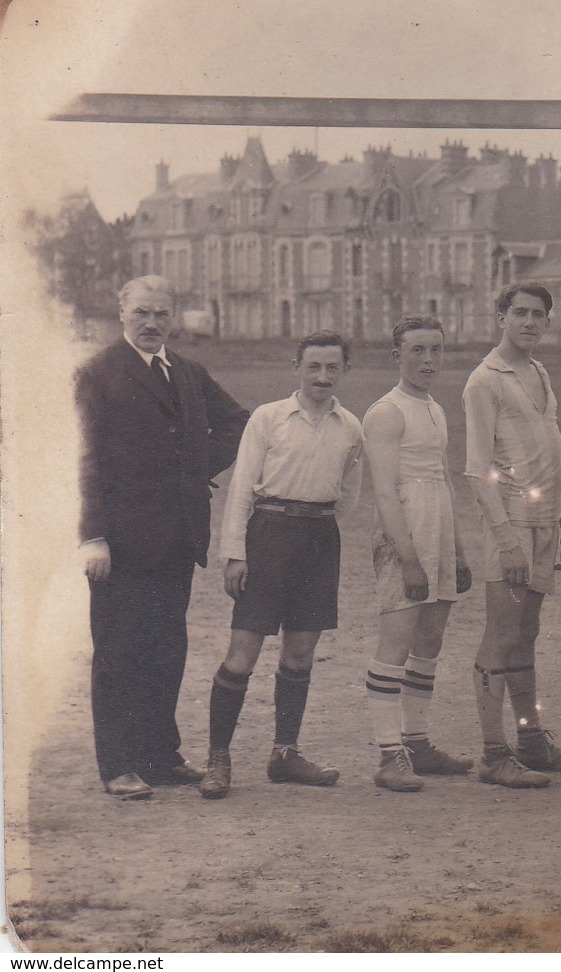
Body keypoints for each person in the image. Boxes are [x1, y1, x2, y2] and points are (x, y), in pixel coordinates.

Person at [77, 275, 249, 799]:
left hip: (177, 537)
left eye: (161, 314)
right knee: (119, 651)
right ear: (122, 314)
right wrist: (93, 537)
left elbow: (240, 424)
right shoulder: (97, 374)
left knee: (165, 647)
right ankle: (118, 765)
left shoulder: (189, 372)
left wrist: (195, 469)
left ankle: (159, 755)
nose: (151, 324)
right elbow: (81, 460)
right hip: (121, 543)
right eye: (141, 314)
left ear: (173, 317)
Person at [201, 330, 363, 799]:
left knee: (299, 654)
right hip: (268, 536)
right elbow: (241, 488)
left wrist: (320, 531)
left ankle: (285, 753)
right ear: (298, 367)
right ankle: (218, 759)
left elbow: (349, 493)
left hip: (317, 542)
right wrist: (235, 554)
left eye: (332, 367)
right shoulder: (269, 419)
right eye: (314, 366)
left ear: (344, 371)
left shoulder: (351, 426)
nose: (322, 376)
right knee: (242, 654)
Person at [463, 283, 561, 790]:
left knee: (526, 633)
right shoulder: (483, 380)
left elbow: (554, 456)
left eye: (539, 315)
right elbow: (476, 471)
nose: (530, 323)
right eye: (519, 313)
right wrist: (508, 540)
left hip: (543, 522)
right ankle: (494, 753)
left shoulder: (539, 373)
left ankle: (531, 740)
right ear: (501, 318)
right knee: (500, 635)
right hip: (509, 523)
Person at [363, 315, 475, 792]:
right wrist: (407, 557)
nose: (428, 360)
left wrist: (460, 550)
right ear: (397, 356)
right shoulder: (386, 412)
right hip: (404, 528)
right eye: (417, 351)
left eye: (435, 350)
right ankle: (390, 755)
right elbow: (385, 492)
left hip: (439, 524)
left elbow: (444, 479)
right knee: (397, 641)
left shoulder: (435, 408)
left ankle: (418, 742)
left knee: (429, 641)